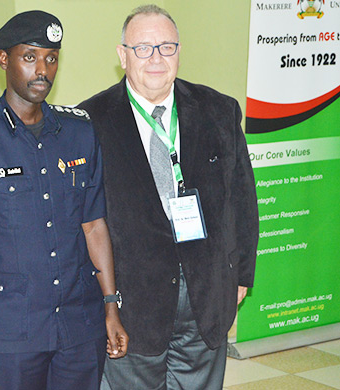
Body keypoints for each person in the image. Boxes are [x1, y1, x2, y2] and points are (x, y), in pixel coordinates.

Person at [0, 10, 128, 390]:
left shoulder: (79, 131)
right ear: (4, 60)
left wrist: (111, 306)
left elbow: (94, 225)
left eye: (51, 58)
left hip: (78, 325)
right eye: (30, 57)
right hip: (7, 334)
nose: (42, 70)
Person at [77, 4, 258, 389]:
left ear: (179, 51)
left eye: (167, 47)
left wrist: (242, 274)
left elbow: (242, 199)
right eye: (143, 48)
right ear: (122, 55)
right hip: (132, 306)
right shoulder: (89, 122)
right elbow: (83, 221)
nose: (157, 58)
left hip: (207, 297)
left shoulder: (219, 110)